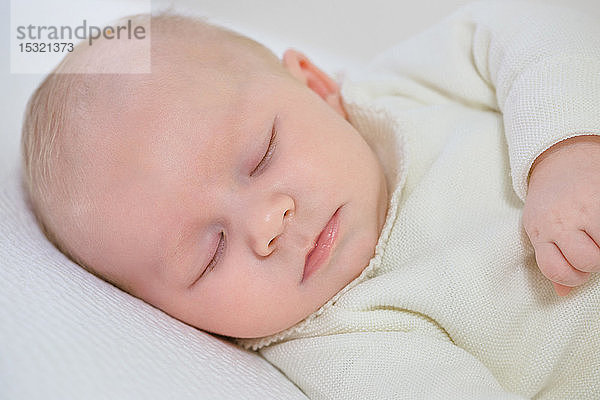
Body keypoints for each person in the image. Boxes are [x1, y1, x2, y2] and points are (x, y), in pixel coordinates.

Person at [20, 0, 600, 398]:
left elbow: (526, 20)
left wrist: (565, 150)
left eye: (262, 155)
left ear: (315, 86)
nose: (268, 224)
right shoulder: (347, 349)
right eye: (211, 254)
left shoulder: (398, 91)